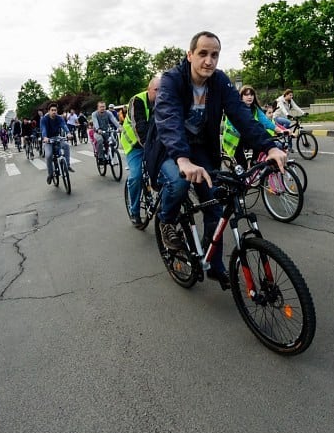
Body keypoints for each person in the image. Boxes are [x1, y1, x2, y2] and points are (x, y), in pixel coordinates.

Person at [147, 31, 287, 289]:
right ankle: (167, 220)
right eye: (202, 54)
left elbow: (242, 117)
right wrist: (182, 159)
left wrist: (269, 147)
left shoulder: (220, 82)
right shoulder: (171, 80)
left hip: (201, 148)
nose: (209, 61)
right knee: (178, 184)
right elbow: (168, 119)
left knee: (215, 203)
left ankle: (214, 265)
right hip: (169, 148)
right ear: (190, 55)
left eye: (214, 55)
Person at [121, 75, 162, 228]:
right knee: (136, 176)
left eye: (162, 90)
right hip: (134, 144)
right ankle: (135, 211)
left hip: (152, 145)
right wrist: (149, 148)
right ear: (148, 89)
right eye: (156, 90)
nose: (159, 94)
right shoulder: (137, 100)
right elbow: (139, 127)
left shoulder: (164, 101)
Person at [222, 85, 285, 168]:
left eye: (251, 95)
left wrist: (279, 130)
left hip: (245, 136)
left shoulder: (255, 109)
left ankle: (254, 163)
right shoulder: (236, 108)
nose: (250, 97)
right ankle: (238, 178)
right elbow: (237, 127)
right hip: (234, 140)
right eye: (246, 95)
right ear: (241, 97)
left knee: (261, 143)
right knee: (242, 166)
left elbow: (265, 121)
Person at [40, 102, 74, 184]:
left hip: (57, 137)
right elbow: (43, 129)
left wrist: (68, 133)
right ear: (49, 111)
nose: (54, 112)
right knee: (48, 156)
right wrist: (45, 137)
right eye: (52, 110)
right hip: (48, 139)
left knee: (66, 145)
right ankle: (50, 174)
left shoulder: (59, 118)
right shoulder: (44, 119)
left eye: (55, 110)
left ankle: (68, 165)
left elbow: (63, 125)